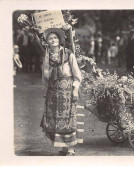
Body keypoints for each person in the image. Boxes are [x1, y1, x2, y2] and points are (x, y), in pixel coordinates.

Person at [40, 28, 82, 156]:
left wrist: (75, 89)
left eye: (55, 38)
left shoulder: (68, 54)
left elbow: (77, 74)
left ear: (59, 40)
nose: (53, 40)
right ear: (47, 41)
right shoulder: (47, 56)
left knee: (67, 119)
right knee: (56, 120)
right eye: (50, 38)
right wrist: (46, 88)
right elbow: (45, 76)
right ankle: (63, 147)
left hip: (67, 90)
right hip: (53, 91)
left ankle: (70, 148)